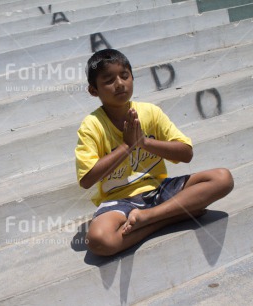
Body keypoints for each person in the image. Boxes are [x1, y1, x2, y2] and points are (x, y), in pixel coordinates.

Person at [75, 49, 234, 256]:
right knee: (98, 241)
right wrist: (126, 147)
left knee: (223, 178)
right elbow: (87, 180)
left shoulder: (150, 112)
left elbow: (186, 154)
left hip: (160, 189)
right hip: (120, 200)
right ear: (93, 90)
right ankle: (168, 217)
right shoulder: (92, 126)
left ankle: (150, 216)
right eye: (109, 80)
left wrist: (143, 143)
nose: (120, 83)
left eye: (124, 76)